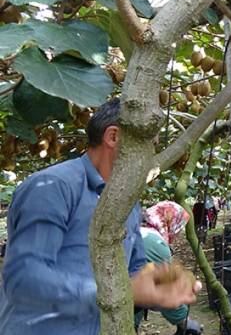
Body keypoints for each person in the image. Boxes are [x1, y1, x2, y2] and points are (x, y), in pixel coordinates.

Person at [0, 98, 199, 334]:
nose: (151, 155)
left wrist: (159, 286)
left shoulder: (127, 201)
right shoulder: (52, 187)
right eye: (149, 145)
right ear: (113, 137)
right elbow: (24, 279)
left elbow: (134, 270)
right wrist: (117, 293)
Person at [136, 201, 203, 335]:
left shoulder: (138, 231)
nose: (178, 234)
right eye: (179, 227)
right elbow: (166, 288)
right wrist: (184, 321)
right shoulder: (156, 243)